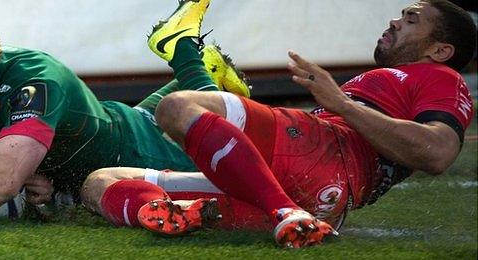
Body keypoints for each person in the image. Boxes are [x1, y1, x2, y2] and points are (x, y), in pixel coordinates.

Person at [80, 0, 476, 248]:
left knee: (176, 108)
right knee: (100, 182)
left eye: (411, 19)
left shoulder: (442, 78)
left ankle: (183, 48)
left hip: (320, 150)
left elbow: (438, 152)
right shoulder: (393, 80)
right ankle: (185, 212)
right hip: (323, 200)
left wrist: (339, 102)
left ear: (441, 50)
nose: (394, 20)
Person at [0, 8, 252, 229]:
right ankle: (200, 70)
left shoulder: (35, 80)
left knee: (244, 165)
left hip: (131, 155)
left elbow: (2, 180)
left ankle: (184, 50)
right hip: (108, 128)